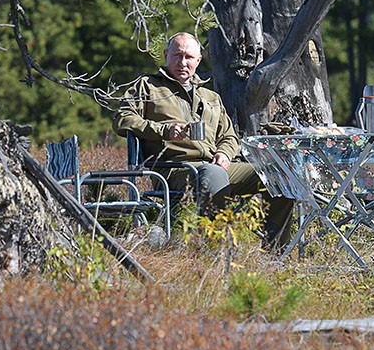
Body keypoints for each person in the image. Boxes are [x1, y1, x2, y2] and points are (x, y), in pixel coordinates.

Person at [113, 32, 294, 250]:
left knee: (279, 175)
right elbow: (122, 119)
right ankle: (213, 252)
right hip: (174, 168)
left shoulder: (210, 97)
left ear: (198, 61)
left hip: (215, 166)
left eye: (189, 57)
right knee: (214, 175)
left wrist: (225, 153)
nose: (182, 62)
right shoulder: (148, 86)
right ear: (166, 55)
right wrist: (165, 130)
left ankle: (275, 252)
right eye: (177, 55)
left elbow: (229, 136)